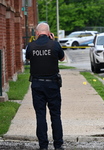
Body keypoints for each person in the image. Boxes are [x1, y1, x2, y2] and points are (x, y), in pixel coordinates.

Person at [26, 22, 65, 150]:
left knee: (40, 115)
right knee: (55, 115)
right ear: (49, 33)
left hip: (37, 84)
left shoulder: (31, 46)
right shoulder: (54, 44)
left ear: (37, 33)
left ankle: (43, 146)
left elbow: (29, 59)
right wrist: (53, 41)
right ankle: (58, 145)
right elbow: (62, 58)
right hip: (53, 85)